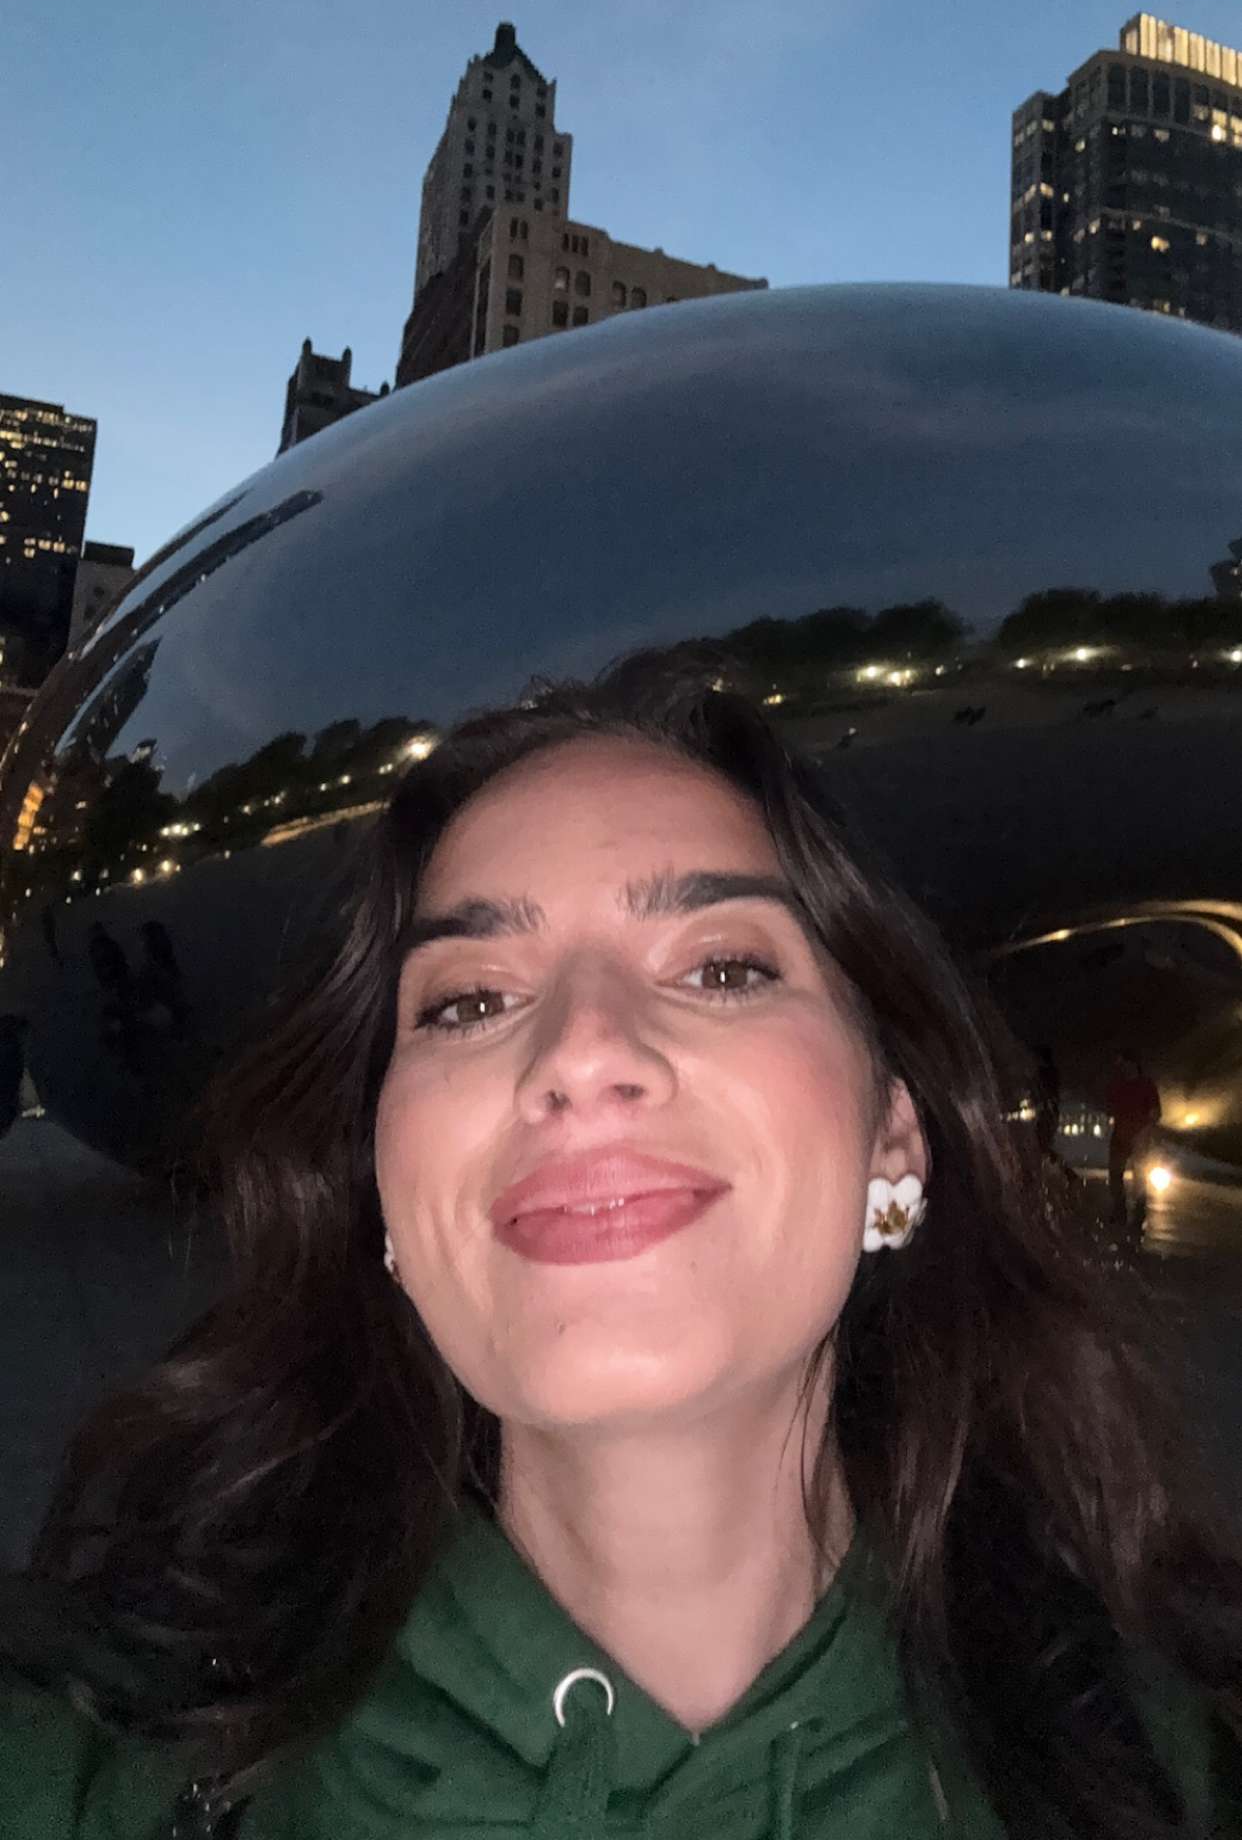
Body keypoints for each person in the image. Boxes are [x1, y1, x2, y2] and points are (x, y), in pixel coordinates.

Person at [1, 649, 1239, 1837]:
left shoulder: (1179, 1764)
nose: (583, 1052)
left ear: (893, 1137)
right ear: (384, 1191)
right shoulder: (85, 1758)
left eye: (722, 969)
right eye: (471, 1000)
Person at [1106, 1049, 1163, 1241]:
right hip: (1120, 1135)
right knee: (1115, 1175)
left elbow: (1155, 1112)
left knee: (1139, 1178)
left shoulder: (1146, 1085)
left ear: (1134, 1064)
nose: (1123, 1068)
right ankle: (1120, 1211)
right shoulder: (1119, 1084)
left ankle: (1138, 1215)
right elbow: (1111, 1107)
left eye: (1126, 1064)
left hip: (1138, 1136)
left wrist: (1145, 1132)